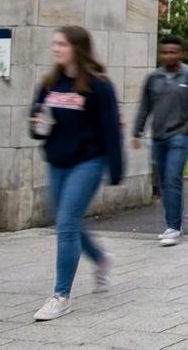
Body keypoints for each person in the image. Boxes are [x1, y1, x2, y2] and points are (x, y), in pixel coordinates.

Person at [29, 26, 124, 322]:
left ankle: (61, 296)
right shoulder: (50, 83)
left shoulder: (98, 85)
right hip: (57, 160)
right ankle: (101, 258)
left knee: (67, 223)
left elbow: (111, 129)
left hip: (88, 161)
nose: (56, 48)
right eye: (55, 43)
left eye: (62, 44)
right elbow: (36, 123)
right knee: (65, 222)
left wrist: (116, 169)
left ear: (78, 48)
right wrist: (36, 125)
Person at [132, 35, 188, 247]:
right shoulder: (154, 78)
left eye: (173, 52)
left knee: (173, 177)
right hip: (158, 136)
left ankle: (173, 227)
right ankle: (174, 223)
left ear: (182, 54)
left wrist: (186, 128)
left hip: (180, 136)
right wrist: (137, 131)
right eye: (164, 52)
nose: (168, 56)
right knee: (164, 181)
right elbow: (145, 107)